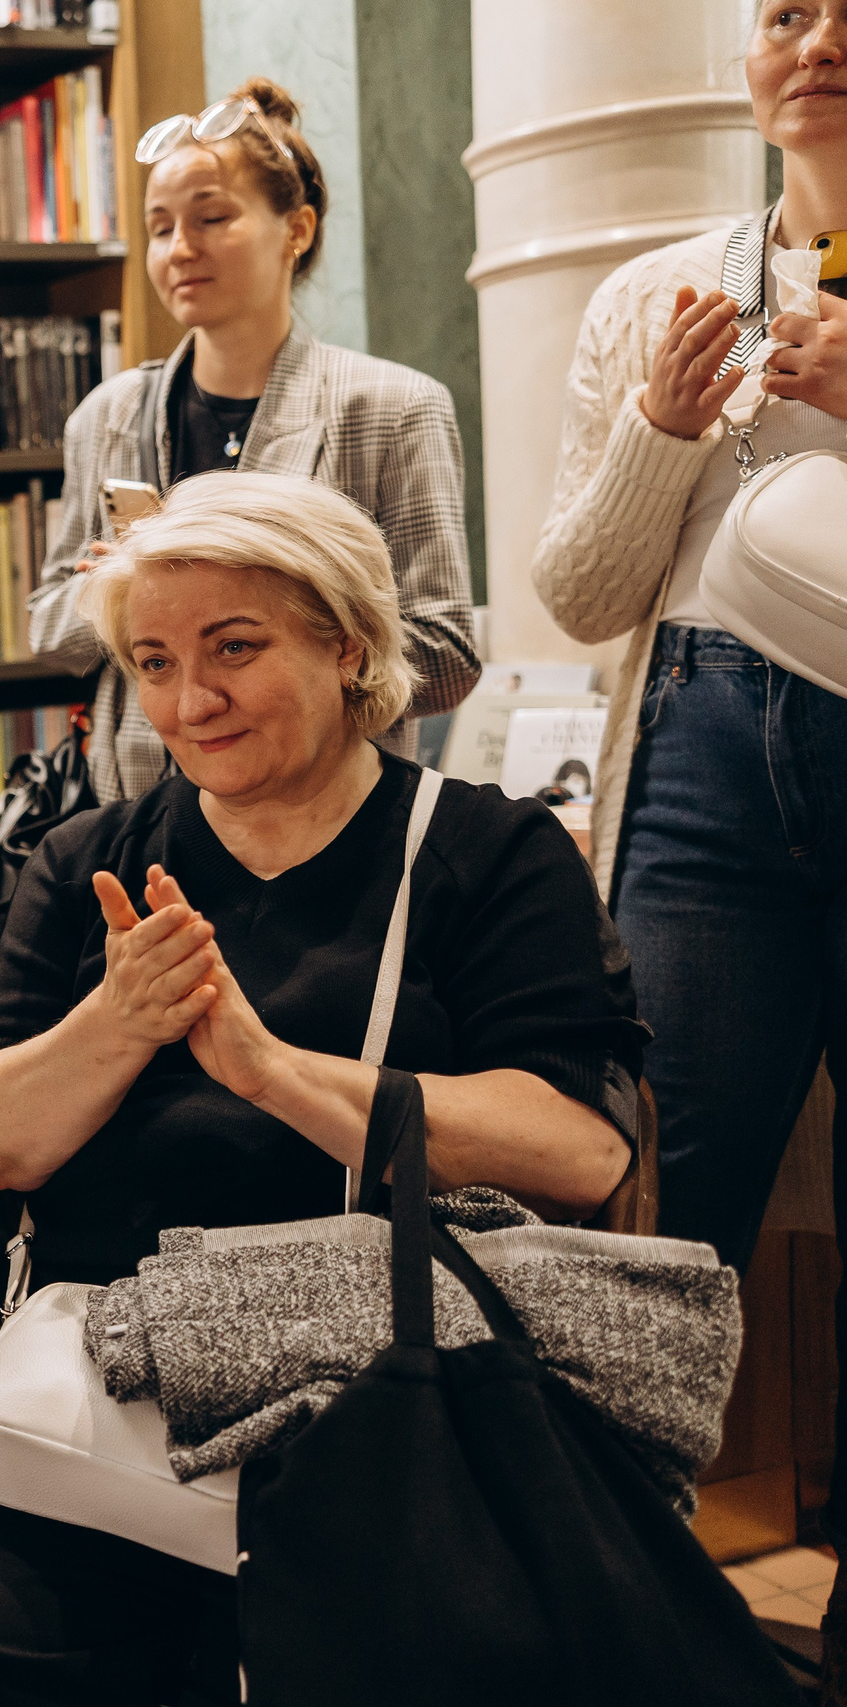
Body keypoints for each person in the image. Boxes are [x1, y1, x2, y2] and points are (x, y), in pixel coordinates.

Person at [0, 472, 645, 1705]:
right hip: (110, 1376)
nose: (190, 702)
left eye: (233, 649)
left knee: (364, 1637)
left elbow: (576, 1150)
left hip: (387, 1380)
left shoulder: (484, 856)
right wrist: (122, 1018)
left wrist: (273, 1072)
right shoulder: (86, 858)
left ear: (346, 645)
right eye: (152, 661)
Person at [527, 0, 847, 1651]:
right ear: (749, 53)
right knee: (664, 1220)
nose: (822, 36)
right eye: (789, 6)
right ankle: (620, 1623)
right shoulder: (654, 293)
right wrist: (659, 423)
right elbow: (581, 592)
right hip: (705, 775)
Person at [27, 76, 479, 801]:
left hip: (330, 818)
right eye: (161, 227)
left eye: (210, 218)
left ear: (295, 230)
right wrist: (107, 594)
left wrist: (297, 630)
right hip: (143, 818)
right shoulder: (106, 416)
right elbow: (46, 630)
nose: (180, 248)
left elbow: (449, 655)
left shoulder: (392, 408)